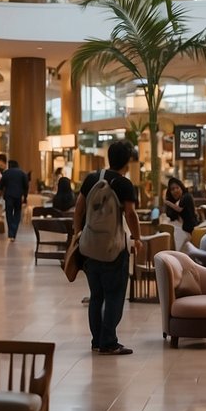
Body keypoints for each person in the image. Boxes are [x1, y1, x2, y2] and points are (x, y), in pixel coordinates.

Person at [74, 139, 141, 356]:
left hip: (89, 246)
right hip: (113, 248)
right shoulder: (124, 184)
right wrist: (137, 238)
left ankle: (97, 341)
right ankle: (109, 342)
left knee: (96, 295)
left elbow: (79, 208)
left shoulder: (92, 178)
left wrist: (77, 233)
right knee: (114, 295)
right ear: (127, 161)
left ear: (108, 157)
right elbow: (130, 214)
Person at [0, 158, 29, 241]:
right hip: (18, 196)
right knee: (17, 213)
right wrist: (25, 197)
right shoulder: (22, 173)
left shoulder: (6, 173)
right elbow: (26, 186)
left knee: (9, 213)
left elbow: (0, 185)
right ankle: (14, 231)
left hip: (9, 196)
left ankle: (11, 232)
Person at [164, 177, 198, 250]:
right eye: (172, 189)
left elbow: (179, 209)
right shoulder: (177, 201)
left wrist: (168, 203)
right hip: (183, 229)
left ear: (181, 187)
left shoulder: (186, 196)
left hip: (189, 230)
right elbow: (171, 216)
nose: (175, 190)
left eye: (177, 188)